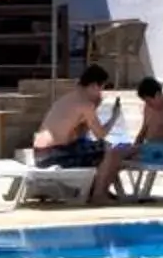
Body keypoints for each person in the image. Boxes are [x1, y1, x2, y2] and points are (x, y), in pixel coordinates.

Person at [32, 64, 119, 201]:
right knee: (108, 149)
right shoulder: (85, 104)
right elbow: (100, 135)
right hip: (55, 155)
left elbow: (79, 135)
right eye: (102, 88)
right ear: (94, 86)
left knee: (89, 146)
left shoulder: (69, 98)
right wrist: (114, 117)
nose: (101, 93)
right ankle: (99, 194)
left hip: (40, 154)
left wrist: (94, 108)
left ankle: (93, 189)